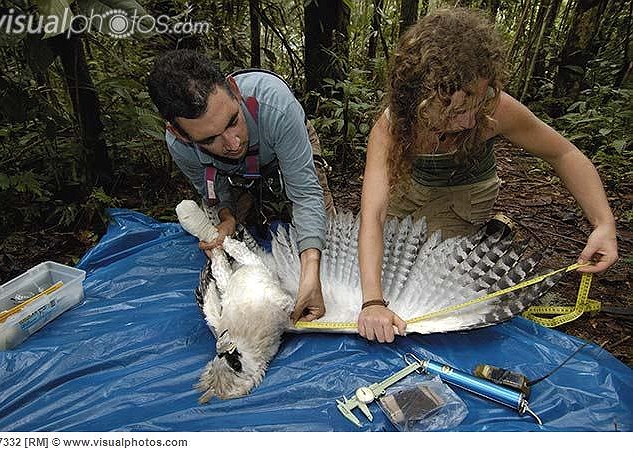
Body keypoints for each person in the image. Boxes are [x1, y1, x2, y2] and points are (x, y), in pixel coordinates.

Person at [357, 8, 619, 343]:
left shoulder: (497, 109)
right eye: (455, 111)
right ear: (418, 100)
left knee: (430, 275)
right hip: (412, 186)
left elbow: (564, 154)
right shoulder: (392, 127)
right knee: (381, 263)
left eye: (477, 104)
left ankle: (480, 230)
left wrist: (604, 224)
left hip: (465, 194)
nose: (469, 122)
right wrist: (373, 302)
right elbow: (374, 214)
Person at [147, 50, 335, 323]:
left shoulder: (276, 104)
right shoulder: (180, 146)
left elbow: (305, 194)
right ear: (181, 134)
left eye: (233, 121)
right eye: (210, 139)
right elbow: (212, 189)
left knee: (324, 244)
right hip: (231, 175)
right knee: (230, 246)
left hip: (283, 145)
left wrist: (311, 269)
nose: (233, 143)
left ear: (234, 89)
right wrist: (226, 217)